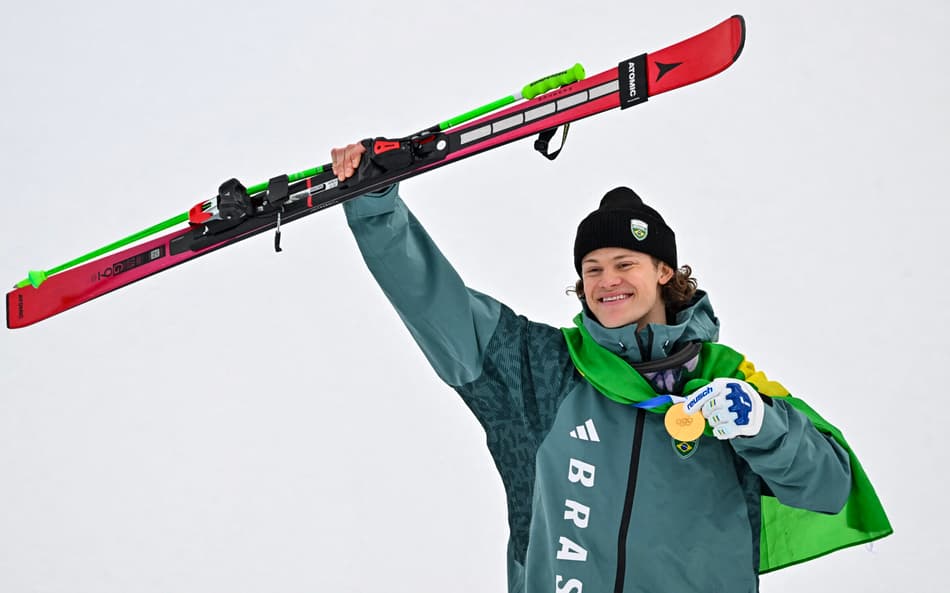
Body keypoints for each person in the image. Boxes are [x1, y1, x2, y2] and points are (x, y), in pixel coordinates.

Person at [329, 143, 890, 593]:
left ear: (665, 271)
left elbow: (829, 487)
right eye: (592, 268)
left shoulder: (727, 381)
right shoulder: (541, 371)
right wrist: (378, 208)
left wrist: (760, 425)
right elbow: (436, 303)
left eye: (625, 263)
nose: (606, 280)